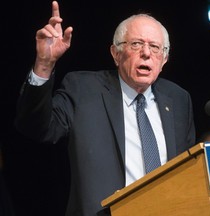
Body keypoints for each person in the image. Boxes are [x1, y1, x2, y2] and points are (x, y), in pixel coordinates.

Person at [15, 1, 196, 215]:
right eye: (136, 44)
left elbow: (189, 171)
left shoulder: (178, 99)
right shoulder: (83, 89)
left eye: (155, 47)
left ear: (164, 59)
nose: (146, 53)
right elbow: (37, 128)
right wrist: (44, 65)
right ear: (116, 53)